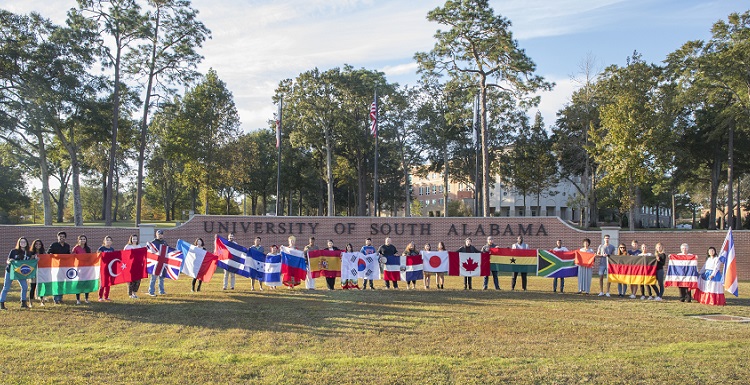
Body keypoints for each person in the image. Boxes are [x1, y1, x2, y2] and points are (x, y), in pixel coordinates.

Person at [1, 237, 32, 310]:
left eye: (24, 242)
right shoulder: (14, 251)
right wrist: (10, 261)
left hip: (21, 273)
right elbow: (8, 261)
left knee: (25, 287)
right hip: (11, 271)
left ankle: (23, 303)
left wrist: (36, 259)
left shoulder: (28, 253)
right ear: (19, 243)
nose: (23, 243)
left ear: (27, 243)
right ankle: (1, 303)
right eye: (21, 242)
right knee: (6, 287)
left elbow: (30, 262)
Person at [47, 231, 70, 304]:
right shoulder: (54, 245)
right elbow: (49, 253)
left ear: (65, 238)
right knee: (56, 282)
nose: (61, 238)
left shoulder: (67, 246)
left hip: (64, 267)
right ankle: (56, 299)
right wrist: (52, 255)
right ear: (58, 237)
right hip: (55, 267)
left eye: (63, 237)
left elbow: (68, 255)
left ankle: (60, 298)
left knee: (62, 283)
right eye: (60, 237)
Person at [72, 235, 92, 304]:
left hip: (86, 268)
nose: (82, 240)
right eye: (81, 239)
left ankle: (86, 298)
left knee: (86, 283)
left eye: (84, 239)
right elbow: (73, 257)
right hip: (78, 268)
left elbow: (90, 257)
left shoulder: (88, 249)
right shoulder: (76, 248)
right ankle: (78, 299)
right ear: (78, 240)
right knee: (79, 283)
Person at [149, 229, 168, 296]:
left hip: (162, 263)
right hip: (155, 263)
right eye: (158, 234)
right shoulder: (153, 242)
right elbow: (149, 250)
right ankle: (151, 291)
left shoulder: (164, 242)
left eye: (161, 234)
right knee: (154, 278)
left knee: (162, 278)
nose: (160, 235)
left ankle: (161, 291)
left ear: (163, 235)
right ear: (156, 235)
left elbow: (167, 251)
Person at [97, 236, 115, 301]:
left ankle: (106, 296)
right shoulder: (101, 248)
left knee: (108, 282)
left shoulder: (112, 249)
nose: (108, 241)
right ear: (104, 241)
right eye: (107, 240)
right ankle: (100, 297)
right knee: (102, 282)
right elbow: (97, 256)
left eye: (110, 240)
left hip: (109, 268)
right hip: (103, 267)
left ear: (112, 242)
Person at [29, 239, 45, 306]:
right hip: (33, 272)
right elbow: (28, 261)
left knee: (41, 286)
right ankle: (31, 302)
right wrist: (33, 258)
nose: (38, 245)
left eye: (39, 244)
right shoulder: (30, 253)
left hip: (41, 272)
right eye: (36, 244)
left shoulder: (43, 253)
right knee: (33, 286)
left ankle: (42, 301)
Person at [124, 234, 141, 299]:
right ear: (131, 239)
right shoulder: (128, 246)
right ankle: (130, 294)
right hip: (129, 266)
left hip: (137, 265)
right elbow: (124, 255)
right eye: (133, 239)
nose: (134, 240)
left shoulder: (139, 246)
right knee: (130, 280)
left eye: (136, 239)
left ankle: (134, 292)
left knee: (137, 280)